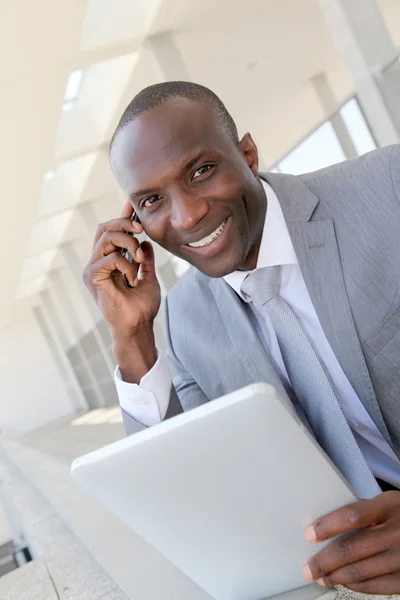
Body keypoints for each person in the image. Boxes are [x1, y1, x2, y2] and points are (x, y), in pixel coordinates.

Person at [83, 81, 400, 595]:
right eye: (151, 201)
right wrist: (133, 340)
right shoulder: (184, 324)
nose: (186, 216)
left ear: (247, 154)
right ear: (135, 222)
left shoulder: (388, 189)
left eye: (201, 171)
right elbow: (190, 494)